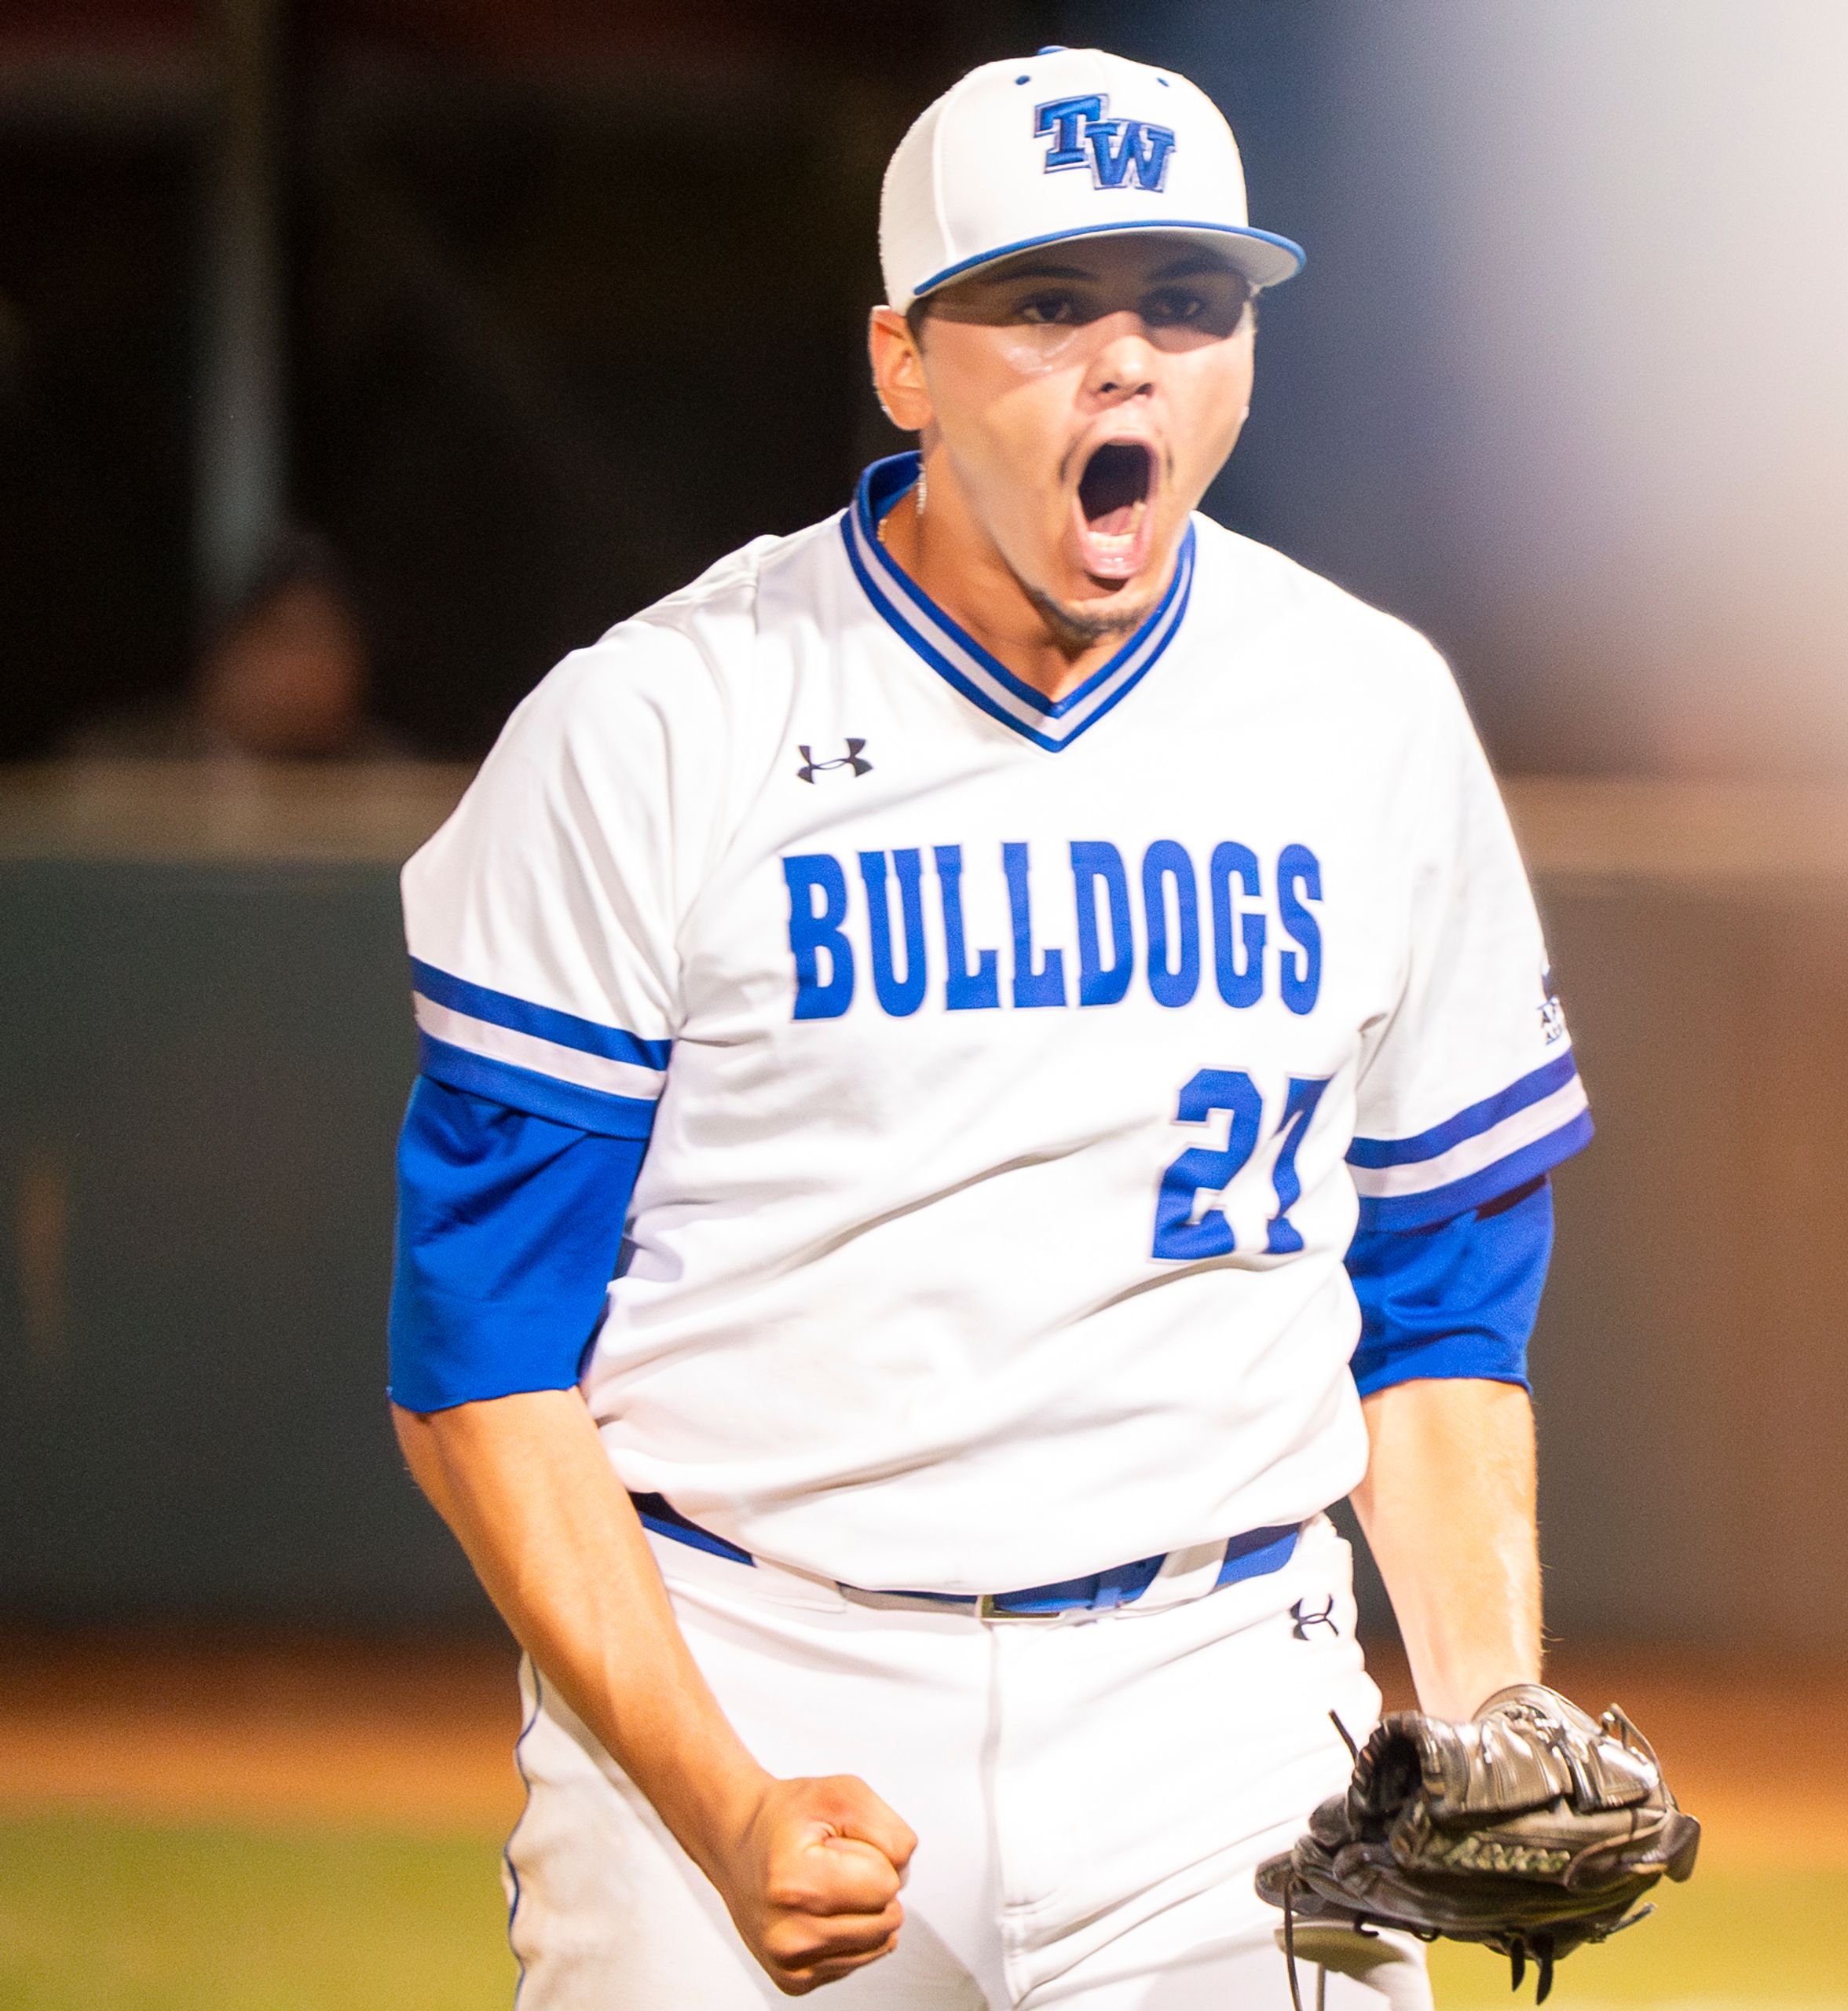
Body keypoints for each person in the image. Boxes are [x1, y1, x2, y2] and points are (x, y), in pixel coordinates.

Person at [386, 48, 1589, 2007]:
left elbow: (1439, 1297)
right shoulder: (666, 721)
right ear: (902, 361)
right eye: (1045, 305)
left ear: (1247, 359)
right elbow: (478, 1355)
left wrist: (1489, 1710)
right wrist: (716, 1796)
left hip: (1222, 1702)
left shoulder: (1362, 712)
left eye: (1186, 306)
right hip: (754, 1649)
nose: (1127, 362)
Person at [63, 528, 409, 760]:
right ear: (224, 652)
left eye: (328, 643)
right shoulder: (122, 770)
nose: (308, 667)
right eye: (285, 637)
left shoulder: (394, 788)